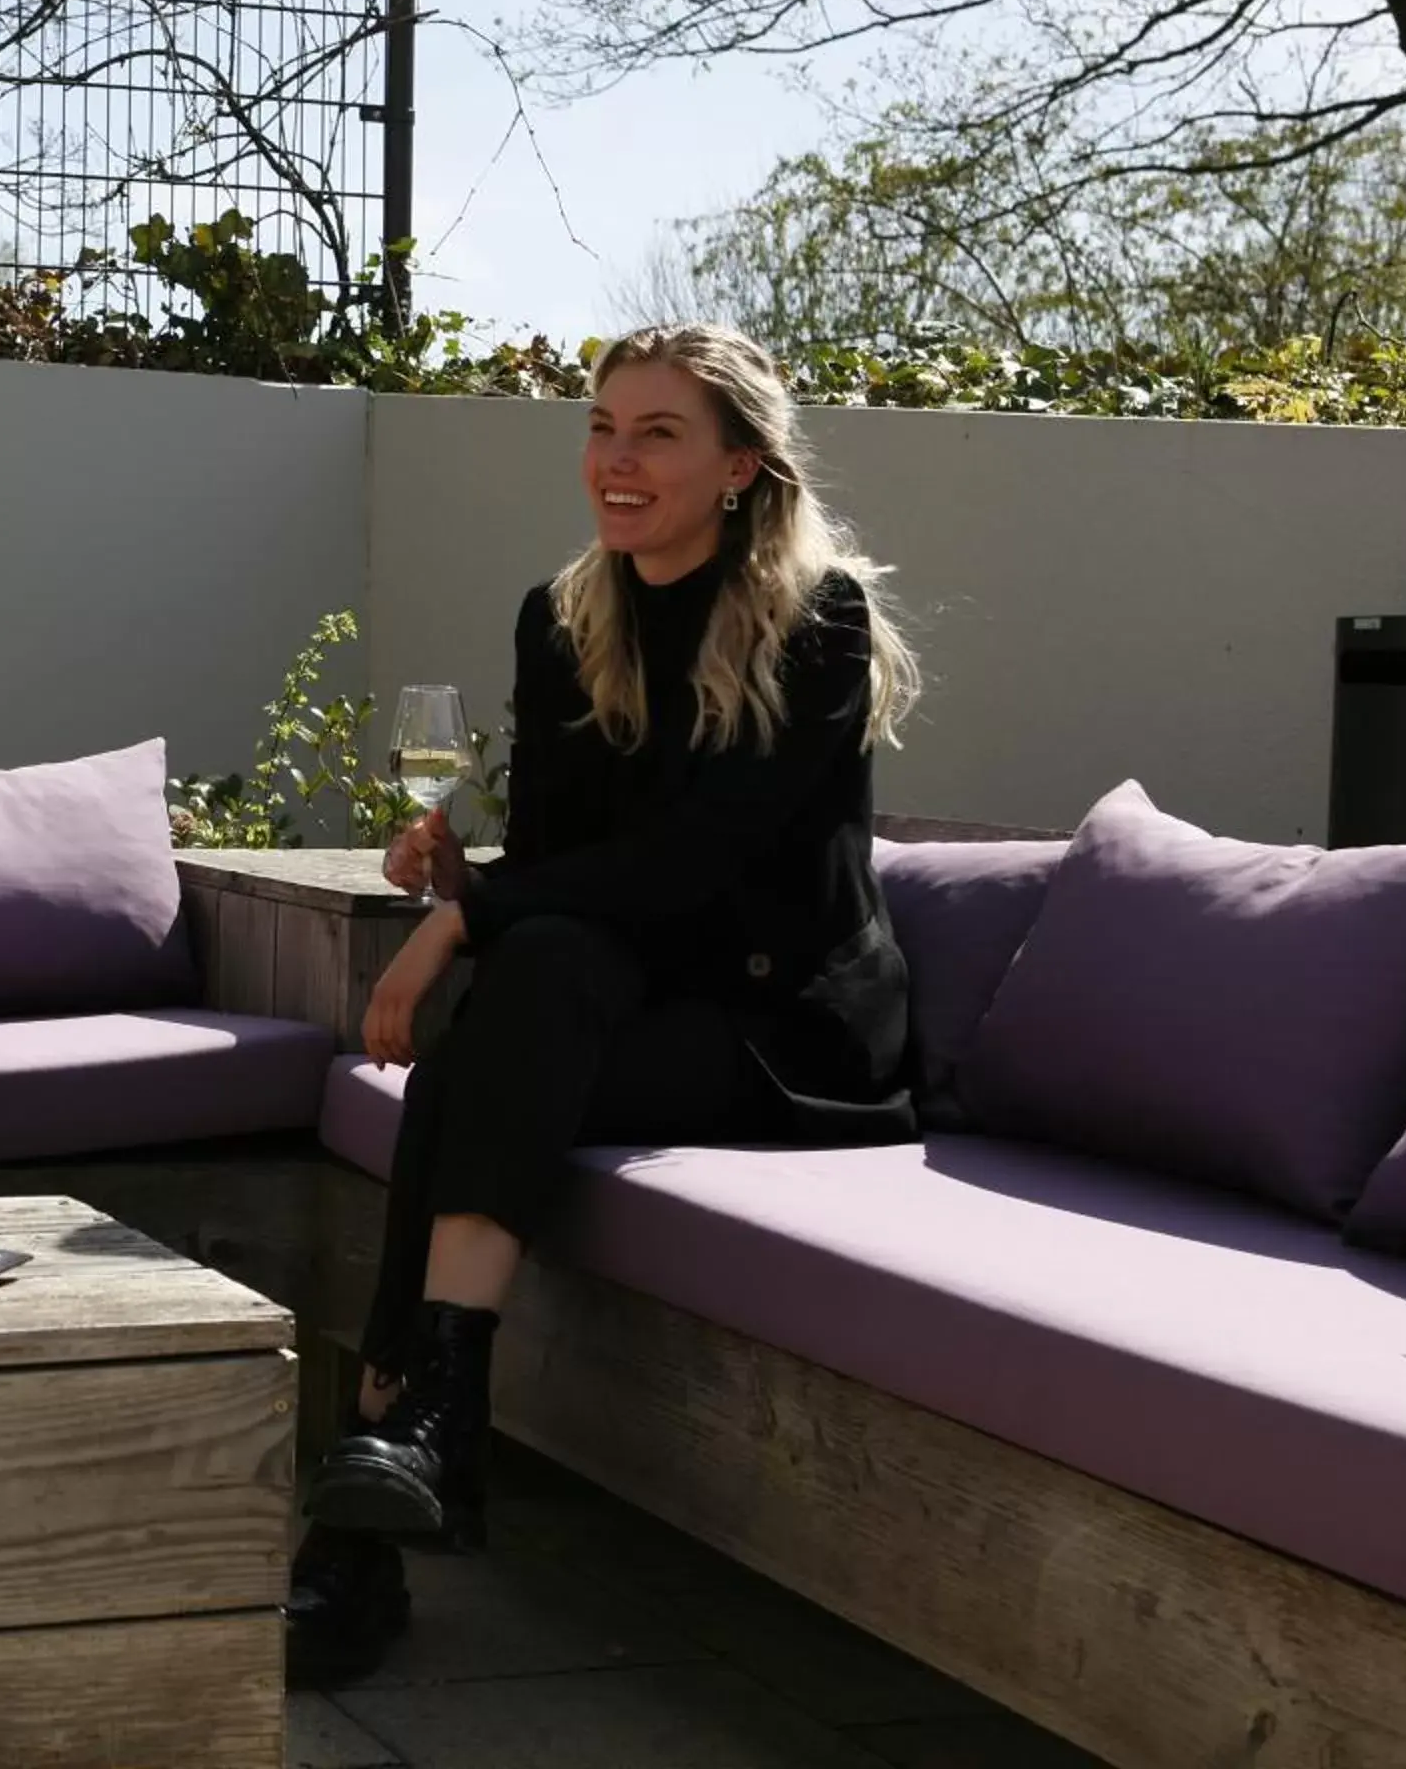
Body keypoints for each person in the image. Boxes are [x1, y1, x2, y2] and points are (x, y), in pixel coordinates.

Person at [282, 321, 926, 1687]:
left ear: (742, 466)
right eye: (600, 427)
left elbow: (702, 865)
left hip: (784, 1035)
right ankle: (428, 1433)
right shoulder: (566, 617)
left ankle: (365, 1532)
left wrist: (463, 922)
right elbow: (579, 873)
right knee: (523, 1008)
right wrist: (469, 877)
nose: (614, 461)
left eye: (657, 434)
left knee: (471, 1068)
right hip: (632, 997)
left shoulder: (821, 623)